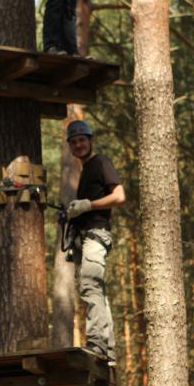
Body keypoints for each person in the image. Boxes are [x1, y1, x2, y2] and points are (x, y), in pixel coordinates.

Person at [65, 120, 125, 364]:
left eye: (82, 140)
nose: (79, 145)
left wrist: (89, 205)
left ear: (90, 140)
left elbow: (119, 196)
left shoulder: (100, 163)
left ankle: (98, 343)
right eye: (74, 142)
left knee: (90, 285)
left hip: (96, 235)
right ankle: (107, 349)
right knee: (95, 288)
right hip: (87, 235)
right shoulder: (86, 170)